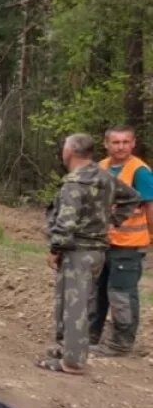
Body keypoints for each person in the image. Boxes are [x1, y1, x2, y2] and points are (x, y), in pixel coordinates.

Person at [38, 133, 138, 374]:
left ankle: (72, 361)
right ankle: (66, 346)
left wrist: (55, 249)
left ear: (70, 152)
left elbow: (66, 223)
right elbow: (132, 197)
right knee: (71, 300)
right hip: (97, 251)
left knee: (75, 306)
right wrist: (113, 220)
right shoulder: (104, 177)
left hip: (77, 250)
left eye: (64, 148)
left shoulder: (74, 183)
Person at [90, 125, 153, 356]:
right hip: (103, 242)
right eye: (116, 142)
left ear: (133, 143)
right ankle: (90, 336)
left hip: (128, 244)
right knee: (97, 291)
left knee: (121, 293)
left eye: (125, 142)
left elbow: (150, 205)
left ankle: (121, 343)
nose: (121, 146)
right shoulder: (101, 168)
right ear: (106, 144)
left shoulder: (140, 171)